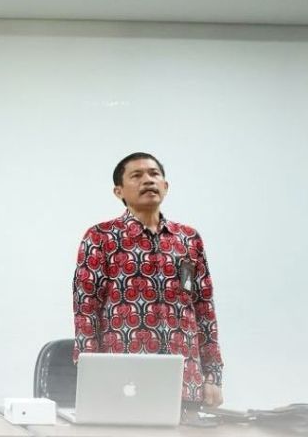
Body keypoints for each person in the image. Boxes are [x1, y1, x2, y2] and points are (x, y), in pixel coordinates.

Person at [72, 152, 224, 407]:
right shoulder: (100, 237)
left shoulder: (188, 239)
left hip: (185, 382)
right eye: (137, 175)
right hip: (123, 383)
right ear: (118, 191)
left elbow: (204, 310)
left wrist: (213, 376)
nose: (148, 180)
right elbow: (86, 311)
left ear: (165, 186)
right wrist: (91, 378)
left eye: (154, 174)